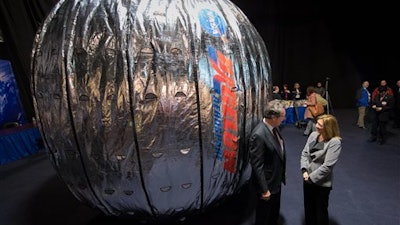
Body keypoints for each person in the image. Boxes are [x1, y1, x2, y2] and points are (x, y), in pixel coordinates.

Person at [249, 99, 286, 225]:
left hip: (275, 181)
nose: (284, 119)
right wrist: (264, 189)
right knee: (263, 217)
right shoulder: (259, 135)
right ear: (273, 117)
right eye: (282, 116)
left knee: (273, 215)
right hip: (267, 185)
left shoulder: (273, 128)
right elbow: (257, 165)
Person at [300, 114, 342, 225]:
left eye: (320, 124)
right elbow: (305, 153)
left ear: (328, 127)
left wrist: (311, 178)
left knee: (320, 211)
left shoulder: (334, 142)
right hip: (307, 178)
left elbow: (328, 166)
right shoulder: (313, 135)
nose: (316, 125)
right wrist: (304, 170)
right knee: (309, 208)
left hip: (321, 182)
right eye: (317, 123)